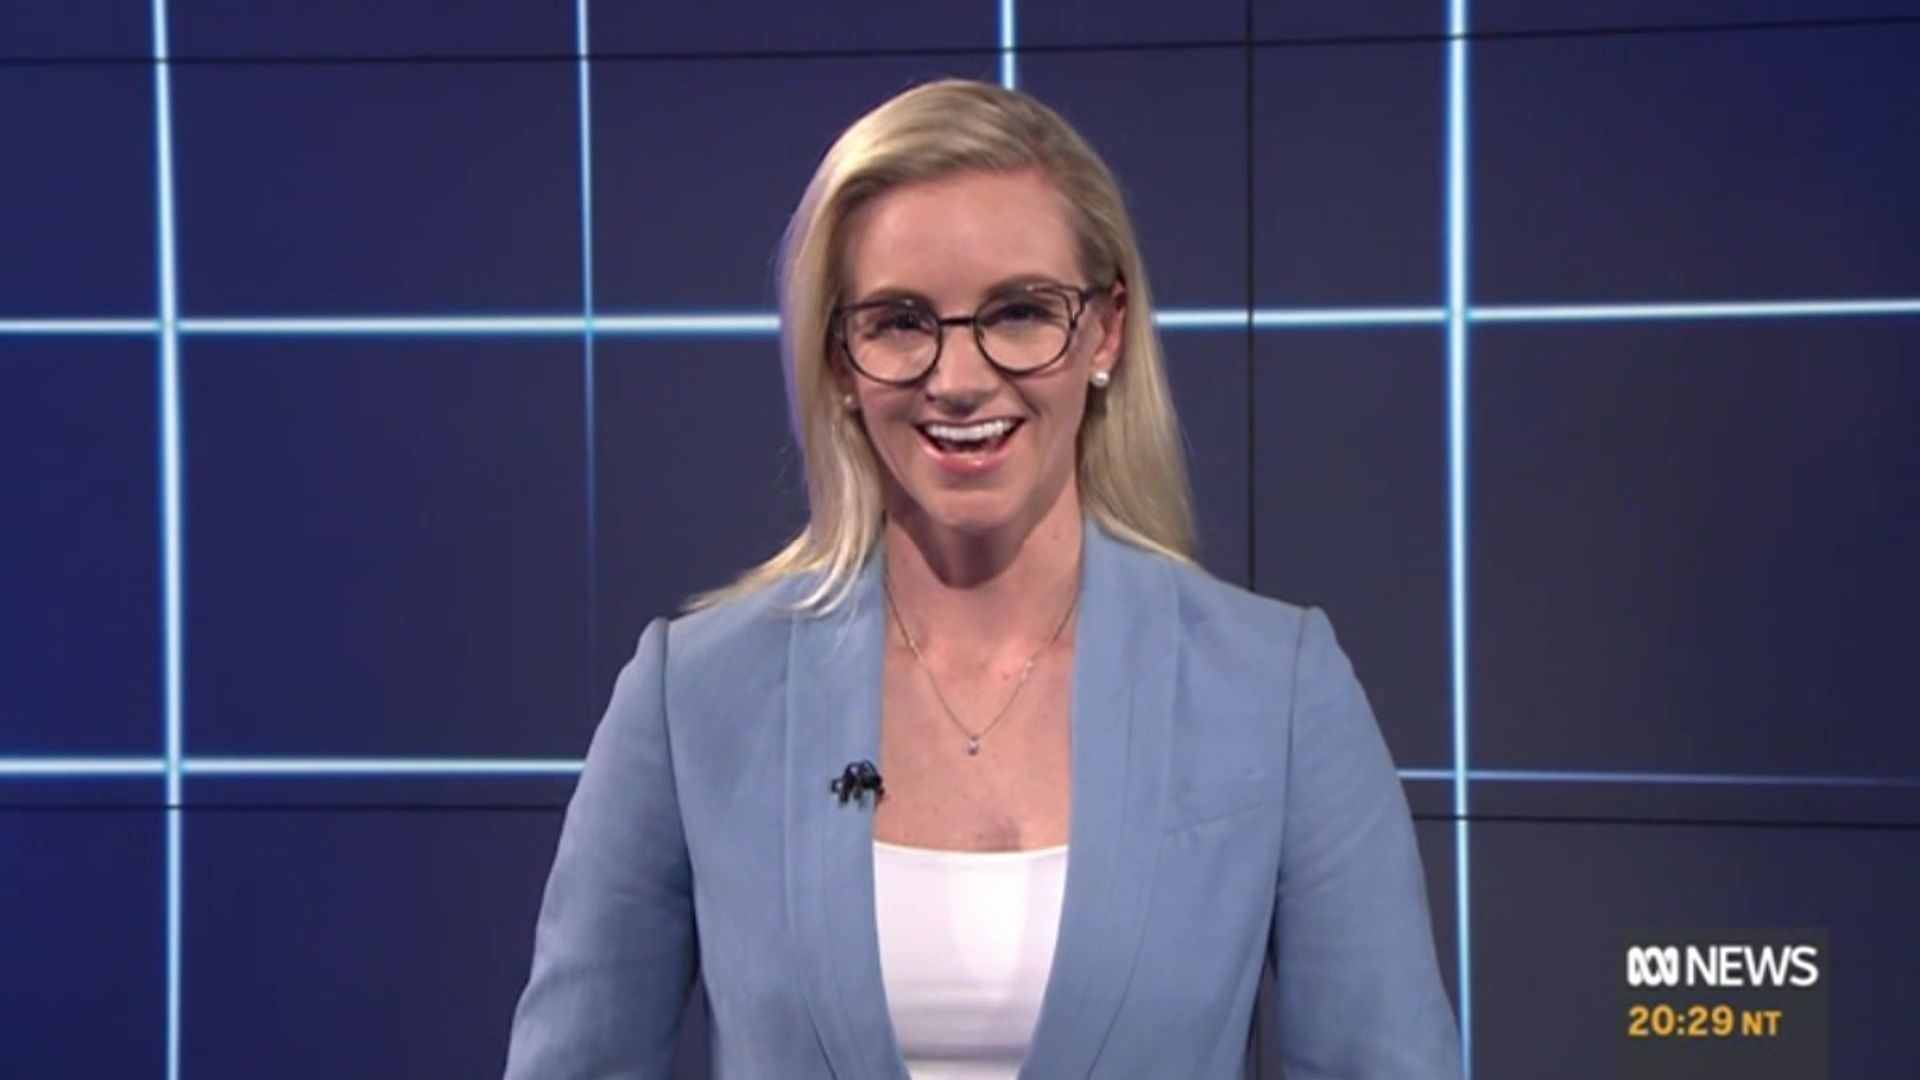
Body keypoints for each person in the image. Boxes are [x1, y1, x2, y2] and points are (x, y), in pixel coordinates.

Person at [503, 78, 1462, 1079]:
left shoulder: (1277, 690)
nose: (959, 380)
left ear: (1106, 330)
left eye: (1020, 312)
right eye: (899, 321)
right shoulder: (693, 697)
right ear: (839, 358)